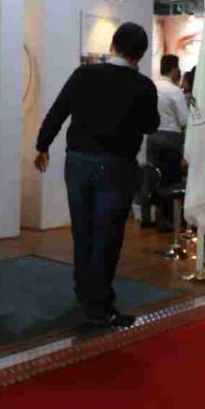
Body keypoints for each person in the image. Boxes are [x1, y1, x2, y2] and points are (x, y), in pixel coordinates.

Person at [35, 22, 159, 328]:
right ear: (139, 55)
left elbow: (58, 111)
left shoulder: (84, 74)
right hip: (116, 166)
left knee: (83, 231)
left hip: (77, 163)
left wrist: (42, 145)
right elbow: (151, 125)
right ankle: (99, 306)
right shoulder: (143, 86)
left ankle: (85, 293)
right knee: (108, 235)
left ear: (112, 45)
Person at [145, 54, 189, 231]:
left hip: (153, 136)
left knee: (154, 177)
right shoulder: (174, 91)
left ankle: (152, 217)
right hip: (171, 138)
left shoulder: (151, 86)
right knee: (171, 180)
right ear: (173, 69)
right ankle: (169, 221)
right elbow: (184, 119)